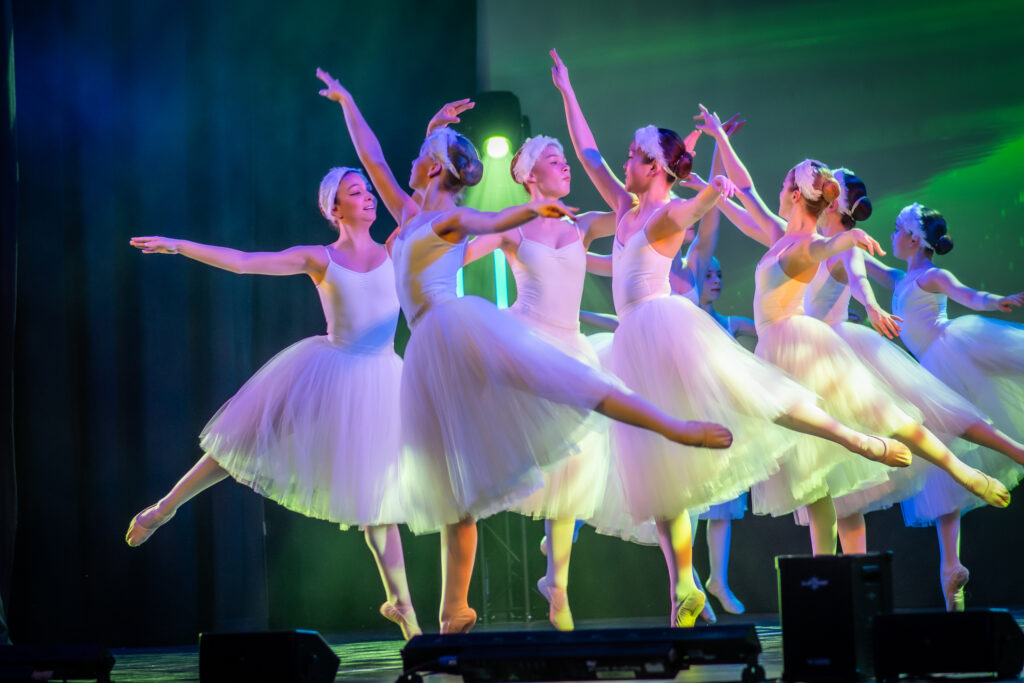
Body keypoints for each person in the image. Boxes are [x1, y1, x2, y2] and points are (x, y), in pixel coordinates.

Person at [317, 67, 731, 634]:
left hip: (455, 329)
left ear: (433, 167)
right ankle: (454, 610)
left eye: (422, 155)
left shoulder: (446, 218)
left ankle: (673, 427)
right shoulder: (409, 213)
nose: (409, 161)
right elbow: (374, 160)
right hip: (432, 349)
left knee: (571, 384)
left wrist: (532, 211)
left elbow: (488, 218)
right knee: (455, 484)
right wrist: (347, 101)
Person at [552, 49, 911, 626]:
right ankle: (684, 588)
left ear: (655, 167)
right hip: (632, 344)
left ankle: (855, 439)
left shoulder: (666, 214)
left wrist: (713, 186)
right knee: (656, 468)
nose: (623, 164)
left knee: (754, 395)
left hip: (665, 330)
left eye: (634, 158)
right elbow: (587, 154)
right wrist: (568, 91)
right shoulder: (623, 206)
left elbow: (698, 208)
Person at [691, 107, 1009, 558]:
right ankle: (824, 569)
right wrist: (720, 140)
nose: (774, 191)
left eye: (782, 185)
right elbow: (743, 188)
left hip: (797, 343)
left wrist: (851, 241)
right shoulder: (780, 235)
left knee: (882, 414)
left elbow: (831, 250)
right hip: (781, 347)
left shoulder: (804, 246)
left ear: (795, 196)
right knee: (810, 472)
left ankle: (961, 470)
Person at [126, 166, 422, 639]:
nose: (369, 197)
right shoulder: (320, 258)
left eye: (369, 190)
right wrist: (180, 245)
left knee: (378, 495)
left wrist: (434, 140)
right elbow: (245, 262)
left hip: (383, 377)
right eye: (356, 192)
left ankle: (401, 604)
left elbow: (433, 209)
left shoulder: (395, 249)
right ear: (334, 208)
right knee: (243, 442)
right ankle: (167, 506)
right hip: (330, 369)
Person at [871, 201, 1024, 609]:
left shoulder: (931, 276)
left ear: (913, 238)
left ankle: (1018, 453)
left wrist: (996, 300)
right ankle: (950, 567)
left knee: (950, 442)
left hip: (947, 355)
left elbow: (968, 295)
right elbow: (863, 265)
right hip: (927, 368)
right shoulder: (900, 279)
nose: (891, 236)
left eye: (896, 229)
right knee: (941, 467)